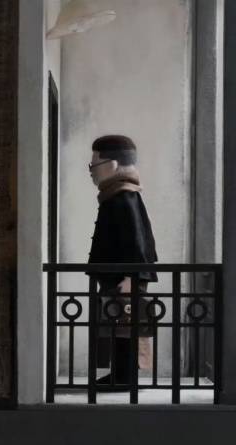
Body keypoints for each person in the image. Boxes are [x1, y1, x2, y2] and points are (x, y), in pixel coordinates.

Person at [86, 134, 158, 389]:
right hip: (118, 275)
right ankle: (120, 374)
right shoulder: (116, 195)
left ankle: (125, 377)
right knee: (118, 325)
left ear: (113, 165)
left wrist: (131, 277)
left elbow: (136, 239)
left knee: (125, 326)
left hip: (124, 277)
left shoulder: (123, 195)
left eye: (94, 165)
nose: (91, 172)